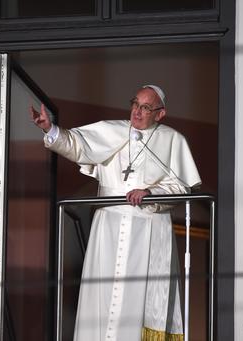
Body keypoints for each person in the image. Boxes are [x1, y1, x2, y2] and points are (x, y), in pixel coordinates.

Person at [31, 85, 201, 341]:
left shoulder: (172, 140)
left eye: (146, 107)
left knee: (138, 300)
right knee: (102, 297)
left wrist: (151, 193)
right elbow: (77, 145)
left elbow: (181, 186)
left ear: (160, 114)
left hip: (149, 230)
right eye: (135, 104)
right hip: (108, 227)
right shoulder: (112, 130)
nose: (137, 111)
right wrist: (49, 128)